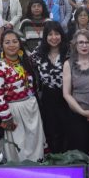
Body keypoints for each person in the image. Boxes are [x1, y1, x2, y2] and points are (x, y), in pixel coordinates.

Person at [0, 31, 46, 161]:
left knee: (35, 143)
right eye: (7, 42)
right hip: (13, 111)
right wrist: (6, 116)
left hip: (31, 107)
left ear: (20, 43)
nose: (12, 45)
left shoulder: (26, 62)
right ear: (1, 46)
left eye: (15, 41)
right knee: (19, 146)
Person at [31, 22, 70, 153]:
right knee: (51, 130)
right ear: (45, 37)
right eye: (50, 34)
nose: (54, 37)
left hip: (68, 95)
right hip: (48, 96)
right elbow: (26, 63)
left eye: (57, 33)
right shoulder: (38, 52)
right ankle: (53, 160)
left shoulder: (69, 51)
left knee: (67, 129)